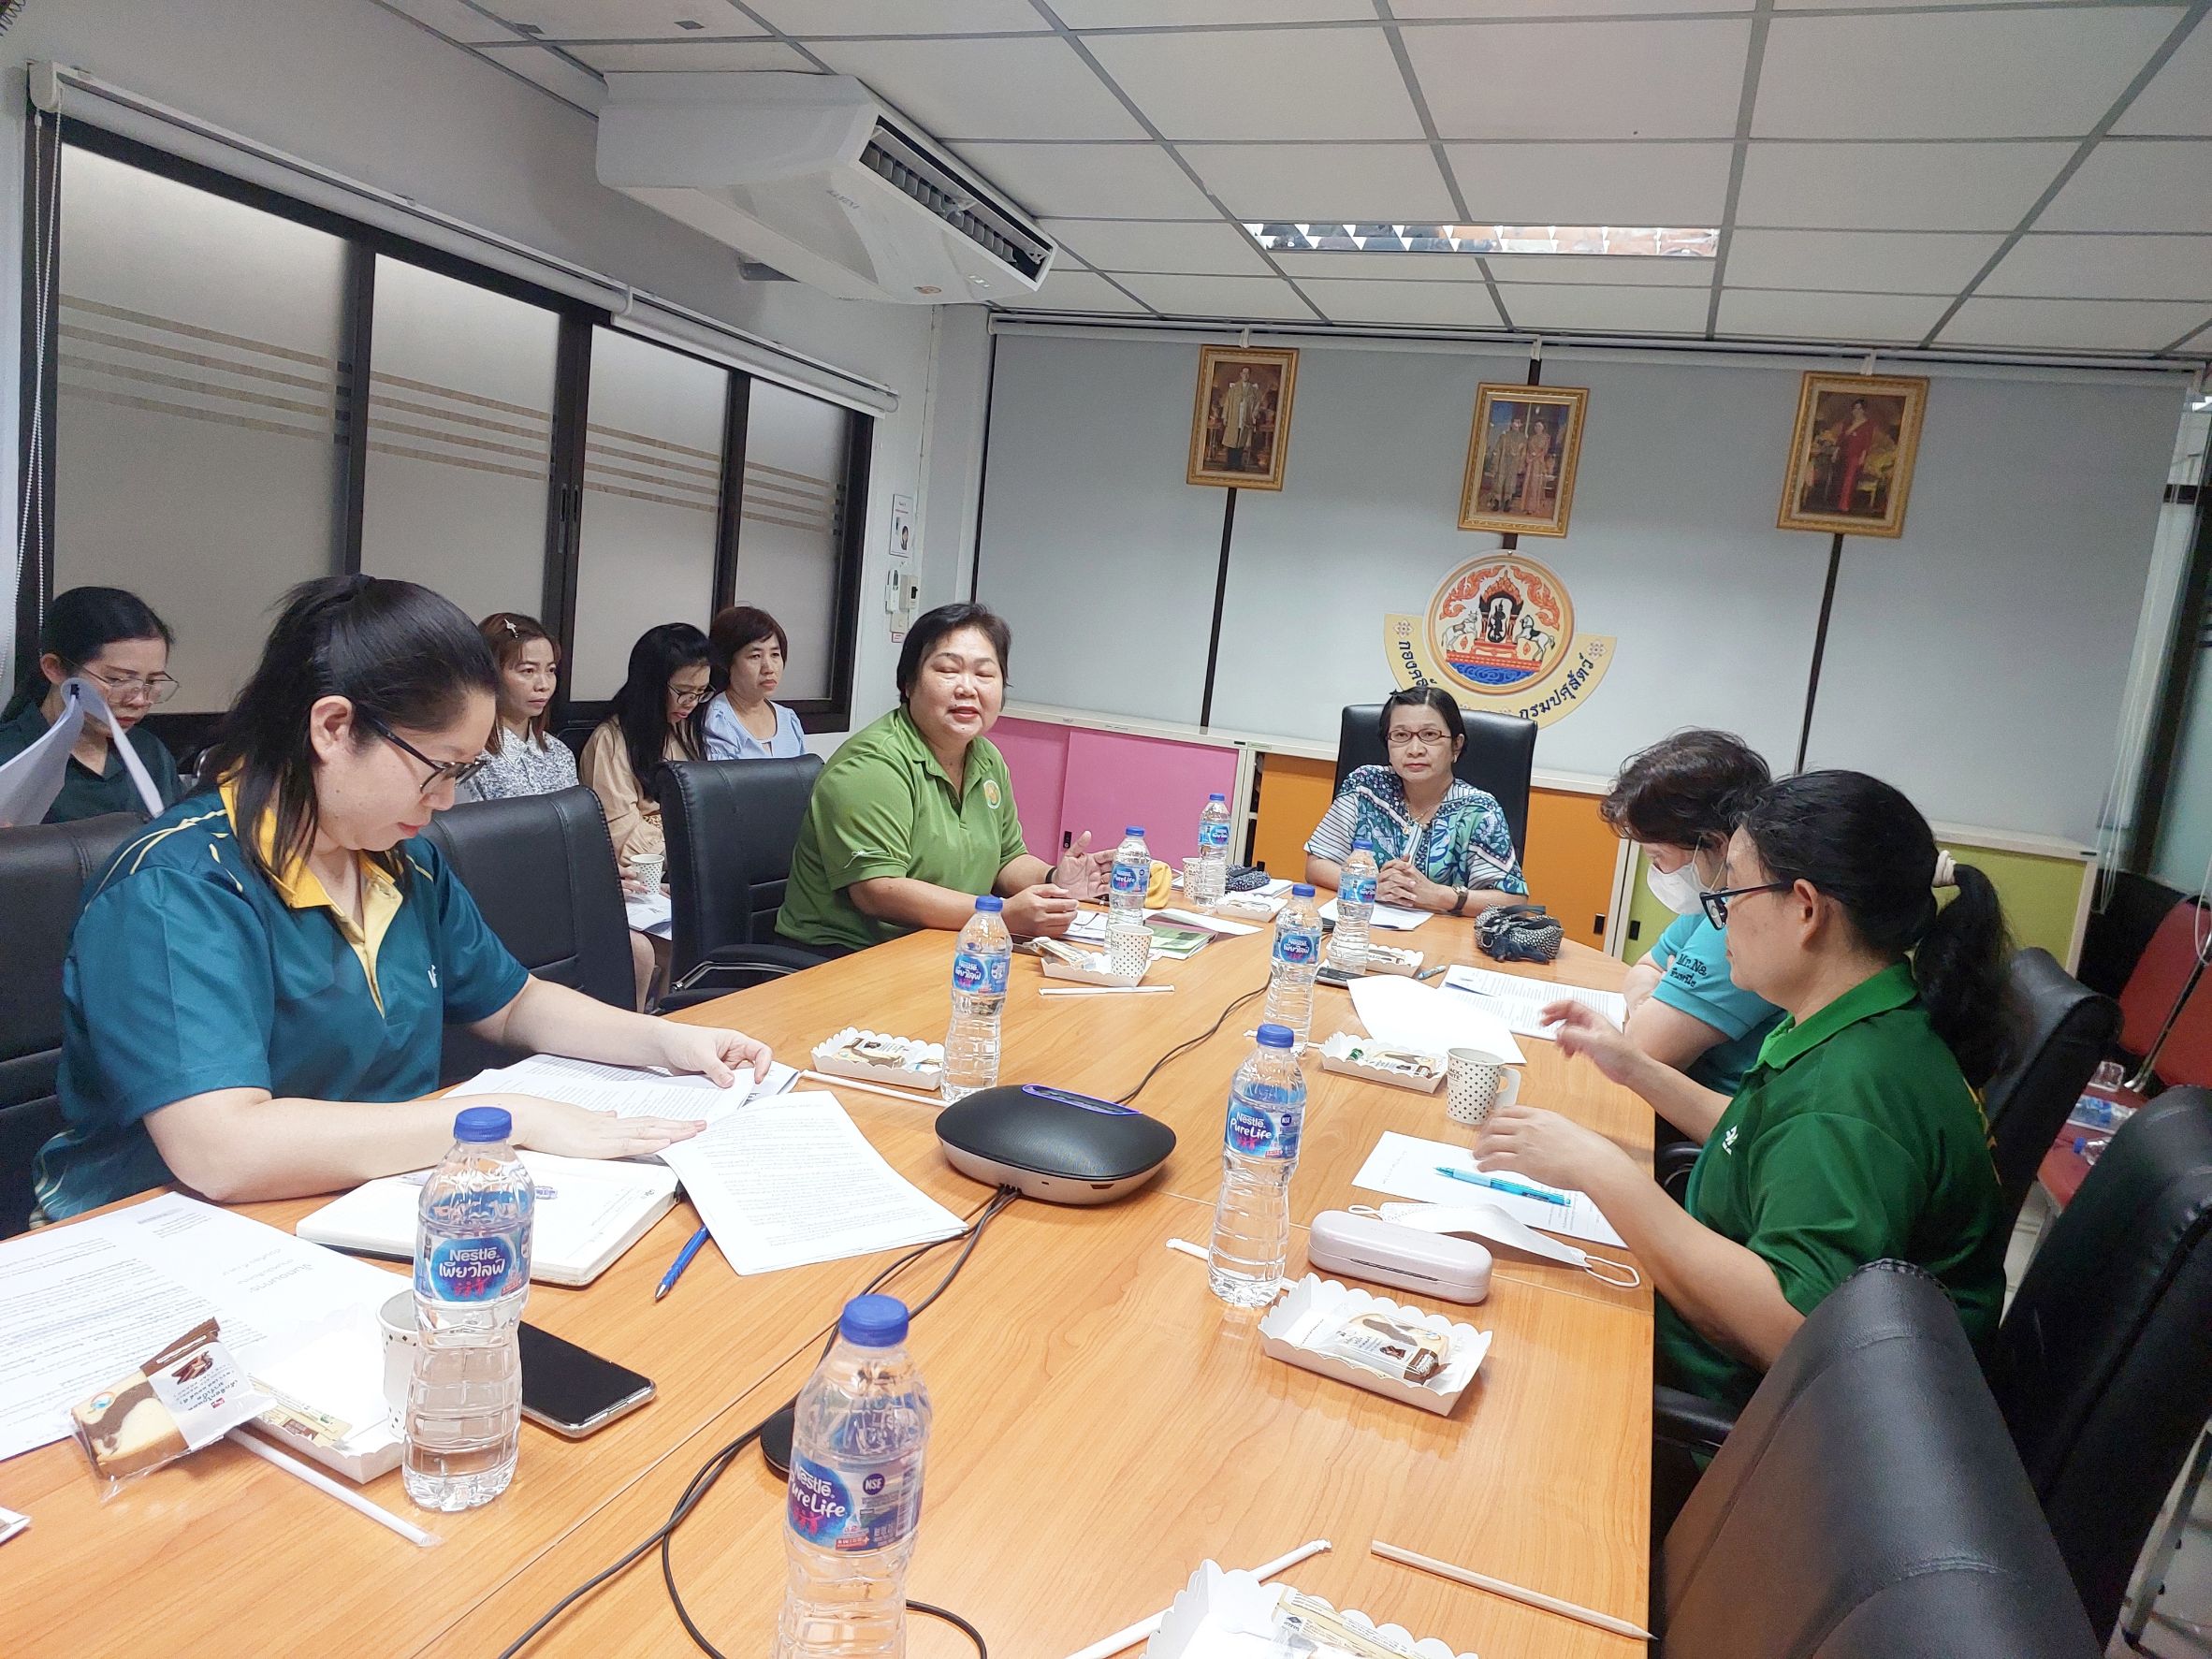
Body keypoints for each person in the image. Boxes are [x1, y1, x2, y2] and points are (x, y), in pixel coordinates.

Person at [31, 575, 769, 1222]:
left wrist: (665, 1042)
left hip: (363, 1201)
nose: (446, 800)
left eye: (462, 771)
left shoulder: (399, 860)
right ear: (333, 726)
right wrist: (504, 1119)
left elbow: (512, 1002)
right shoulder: (177, 888)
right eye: (437, 768)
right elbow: (222, 1149)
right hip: (164, 1229)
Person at [1472, 770, 2010, 1412]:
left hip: (1740, 1413)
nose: (1719, 914)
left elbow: (1790, 1331)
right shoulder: (1853, 1013)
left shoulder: (1853, 1093)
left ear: (1806, 908)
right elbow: (1760, 1134)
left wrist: (1601, 1170)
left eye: (1732, 892)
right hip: (1707, 1340)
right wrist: (1635, 1066)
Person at [777, 603, 1112, 953]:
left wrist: (1055, 879)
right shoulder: (872, 763)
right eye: (948, 670)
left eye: (984, 674)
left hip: (941, 944)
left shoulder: (986, 758)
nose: (968, 688)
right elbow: (877, 890)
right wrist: (1001, 914)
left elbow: (1007, 858)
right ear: (908, 683)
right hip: (842, 956)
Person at [1601, 731, 1783, 1101]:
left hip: (1708, 1115)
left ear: (1714, 843)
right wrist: (1652, 997)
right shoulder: (1714, 897)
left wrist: (1655, 999)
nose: (1657, 872)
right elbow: (1645, 967)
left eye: (1657, 857)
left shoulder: (1743, 914)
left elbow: (1643, 1047)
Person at [1304, 688, 1527, 916]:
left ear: (1456, 745)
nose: (1415, 750)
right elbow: (1317, 864)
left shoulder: (1479, 810)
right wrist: (1370, 887)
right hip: (1359, 926)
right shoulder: (1366, 786)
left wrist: (1438, 895)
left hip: (1442, 935)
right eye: (1401, 735)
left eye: (1430, 735)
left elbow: (1513, 902)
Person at [579, 623, 711, 1008]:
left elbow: (703, 817)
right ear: (651, 684)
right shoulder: (610, 740)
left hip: (678, 876)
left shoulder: (685, 733)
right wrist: (680, 840)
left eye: (701, 693)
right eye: (682, 691)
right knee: (680, 940)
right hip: (636, 883)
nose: (691, 703)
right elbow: (624, 842)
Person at [0, 586, 184, 823]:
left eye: (152, 681)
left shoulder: (150, 753)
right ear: (55, 668)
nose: (139, 700)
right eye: (117, 680)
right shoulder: (9, 757)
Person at [457, 613, 579, 802]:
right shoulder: (468, 756)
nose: (543, 685)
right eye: (528, 671)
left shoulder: (559, 753)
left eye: (550, 670)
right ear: (490, 673)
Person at [703, 604, 806, 761]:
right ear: (726, 662)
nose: (769, 668)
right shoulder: (718, 719)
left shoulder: (788, 719)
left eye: (775, 654)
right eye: (755, 656)